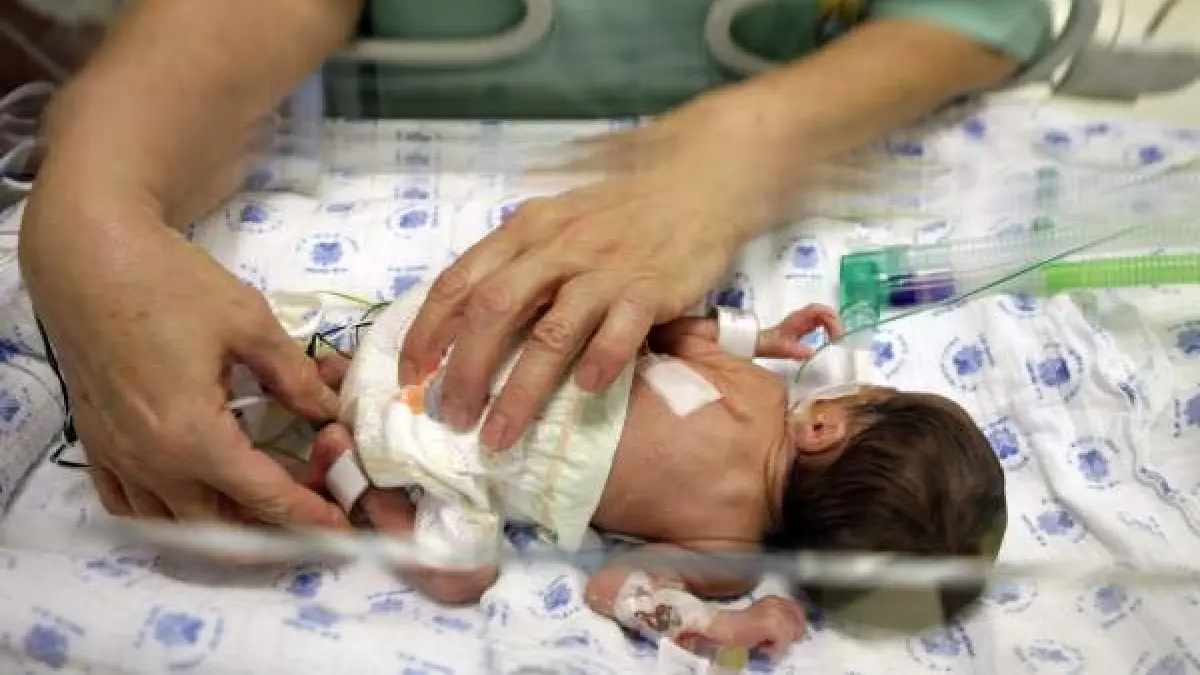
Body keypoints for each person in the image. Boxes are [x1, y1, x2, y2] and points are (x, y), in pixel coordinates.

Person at [16, 0, 1045, 529]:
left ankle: (348, 460)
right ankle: (347, 454)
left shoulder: (749, 465)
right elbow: (692, 347)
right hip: (403, 157)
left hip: (479, 407)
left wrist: (746, 144)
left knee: (400, 475)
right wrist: (98, 194)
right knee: (386, 455)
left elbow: (982, 16)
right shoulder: (750, 452)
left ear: (828, 425)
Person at [298, 282, 1007, 655]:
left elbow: (669, 329)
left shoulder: (754, 400)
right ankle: (349, 466)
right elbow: (617, 588)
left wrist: (758, 335)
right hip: (442, 432)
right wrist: (719, 624)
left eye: (877, 393)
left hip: (444, 345)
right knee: (460, 573)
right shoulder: (731, 559)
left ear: (824, 426)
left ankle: (344, 385)